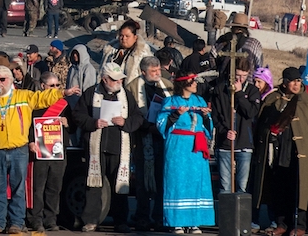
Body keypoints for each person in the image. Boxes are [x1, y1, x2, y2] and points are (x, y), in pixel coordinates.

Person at [0, 65, 78, 234]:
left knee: (18, 188)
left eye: (3, 79)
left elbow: (42, 98)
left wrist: (62, 93)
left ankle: (16, 222)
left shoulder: (23, 96)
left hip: (18, 149)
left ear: (10, 81)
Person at [73, 62, 145, 233]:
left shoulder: (126, 95)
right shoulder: (91, 93)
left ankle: (121, 221)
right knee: (93, 184)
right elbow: (77, 114)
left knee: (120, 185)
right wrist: (93, 122)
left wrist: (125, 123)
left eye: (120, 79)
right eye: (115, 80)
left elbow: (138, 116)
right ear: (104, 79)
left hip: (119, 146)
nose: (119, 82)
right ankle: (90, 220)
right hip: (96, 146)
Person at [251, 67, 308, 236]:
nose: (296, 85)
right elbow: (262, 126)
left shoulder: (307, 101)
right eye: (292, 81)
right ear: (285, 82)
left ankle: (300, 225)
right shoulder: (273, 99)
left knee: (300, 190)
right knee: (280, 189)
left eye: (298, 81)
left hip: (300, 153)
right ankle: (282, 223)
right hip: (280, 151)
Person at [156, 73, 214, 234]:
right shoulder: (170, 102)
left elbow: (208, 124)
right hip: (178, 146)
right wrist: (176, 115)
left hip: (196, 146)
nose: (195, 83)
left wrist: (205, 115)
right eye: (192, 80)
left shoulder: (200, 101)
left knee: (196, 181)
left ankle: (194, 221)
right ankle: (177, 222)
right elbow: (161, 125)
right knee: (177, 180)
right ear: (183, 84)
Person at [127, 56, 173, 231]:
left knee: (162, 179)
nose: (157, 74)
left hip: (162, 138)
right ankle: (143, 216)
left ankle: (159, 217)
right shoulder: (132, 87)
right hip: (143, 138)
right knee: (142, 181)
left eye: (159, 70)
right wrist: (148, 126)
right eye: (153, 71)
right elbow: (131, 112)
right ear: (143, 72)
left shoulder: (167, 86)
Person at [211, 57, 261, 194]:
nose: (240, 79)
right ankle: (226, 215)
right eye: (237, 75)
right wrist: (224, 131)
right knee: (225, 186)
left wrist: (239, 93)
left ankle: (241, 215)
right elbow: (215, 116)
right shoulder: (219, 89)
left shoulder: (252, 90)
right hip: (225, 144)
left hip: (244, 143)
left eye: (244, 76)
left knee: (242, 186)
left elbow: (251, 112)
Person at [28, 72, 69, 233]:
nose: (55, 88)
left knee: (54, 187)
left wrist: (67, 123)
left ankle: (51, 219)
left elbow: (73, 123)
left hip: (57, 150)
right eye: (52, 86)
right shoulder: (34, 104)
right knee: (38, 188)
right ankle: (35, 219)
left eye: (57, 85)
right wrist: (31, 141)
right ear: (43, 86)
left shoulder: (63, 104)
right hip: (40, 150)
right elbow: (28, 125)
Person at [102, 19, 154, 85]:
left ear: (135, 37)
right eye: (121, 35)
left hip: (133, 91)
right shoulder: (111, 50)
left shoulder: (142, 53)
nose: (124, 39)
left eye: (127, 36)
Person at [214, 13, 264, 78]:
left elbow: (212, 56)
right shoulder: (254, 44)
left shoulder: (222, 40)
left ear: (232, 27)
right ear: (246, 29)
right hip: (247, 83)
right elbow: (259, 65)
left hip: (223, 80)